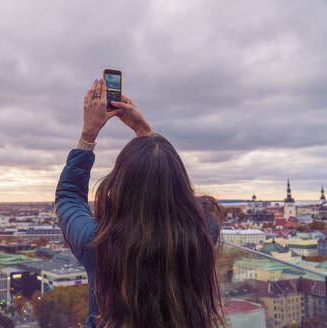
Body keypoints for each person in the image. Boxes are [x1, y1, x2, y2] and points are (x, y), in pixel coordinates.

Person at [55, 79, 225, 328]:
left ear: (120, 185)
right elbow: (183, 195)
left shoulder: (98, 243)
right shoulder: (203, 229)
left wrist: (88, 134)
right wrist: (146, 133)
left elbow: (68, 197)